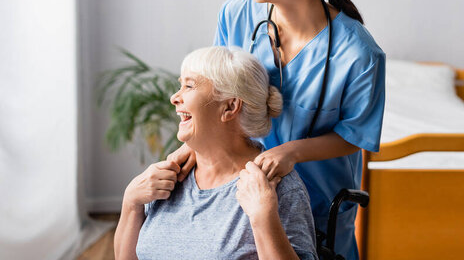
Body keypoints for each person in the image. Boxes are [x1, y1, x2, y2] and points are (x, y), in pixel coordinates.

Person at [170, 0, 386, 259]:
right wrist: (189, 149)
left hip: (319, 203)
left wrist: (291, 152)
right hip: (240, 193)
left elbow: (354, 136)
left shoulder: (359, 54)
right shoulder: (236, 13)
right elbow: (216, 93)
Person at [114, 46, 318, 259]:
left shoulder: (275, 187)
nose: (174, 98)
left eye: (189, 86)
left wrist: (263, 217)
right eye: (180, 86)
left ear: (229, 107)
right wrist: (131, 204)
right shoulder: (167, 178)